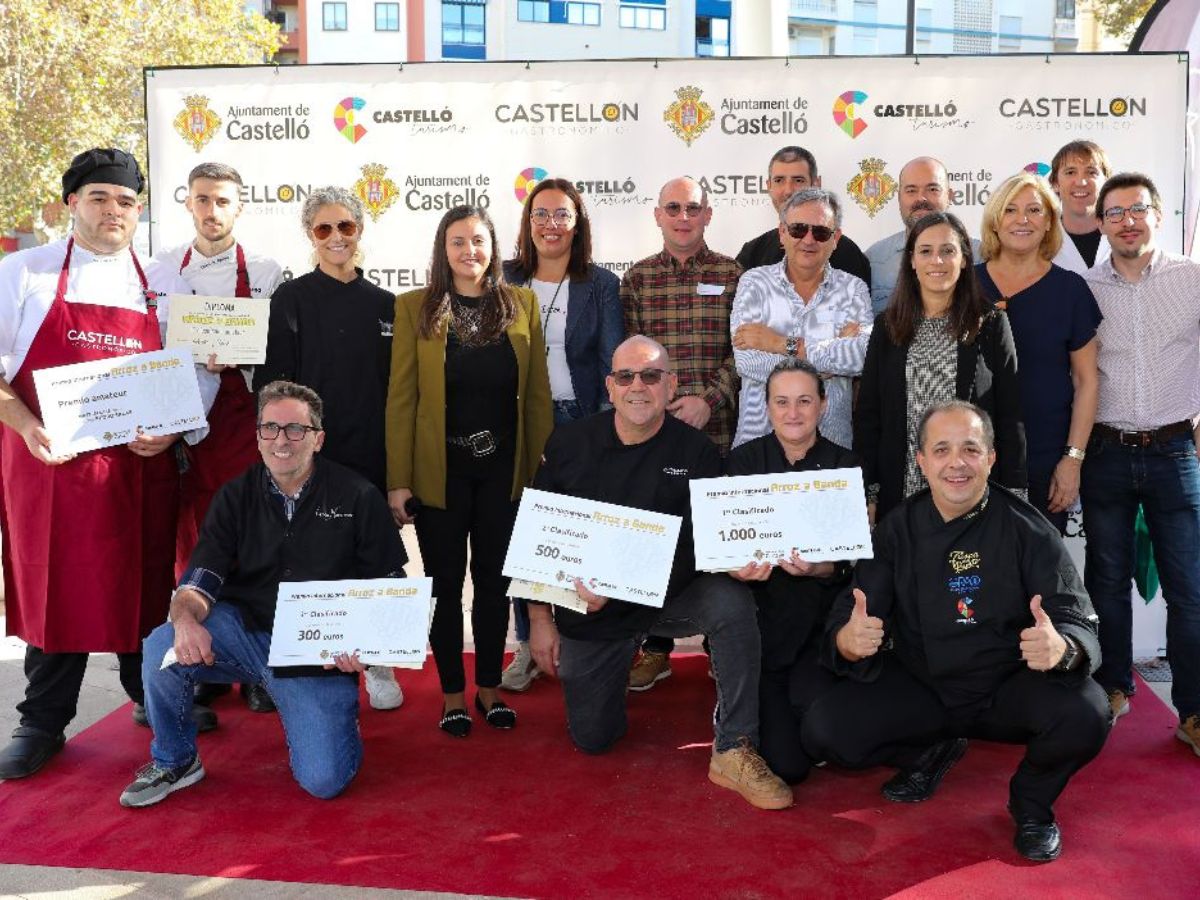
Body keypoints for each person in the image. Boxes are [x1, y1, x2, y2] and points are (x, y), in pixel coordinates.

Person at [805, 401, 1110, 863]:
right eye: (941, 449)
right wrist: (847, 640)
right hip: (923, 685)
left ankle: (1032, 805)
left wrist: (1062, 648)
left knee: (1088, 711)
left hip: (1004, 690)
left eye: (970, 449)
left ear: (991, 458)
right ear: (922, 461)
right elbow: (856, 607)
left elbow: (1073, 613)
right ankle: (928, 751)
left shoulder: (1030, 531)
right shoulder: (897, 530)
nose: (956, 463)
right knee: (827, 729)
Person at [0, 148, 203, 781]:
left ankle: (151, 699)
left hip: (138, 472)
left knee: (142, 585)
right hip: (51, 470)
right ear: (71, 204)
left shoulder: (165, 282)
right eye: (99, 198)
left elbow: (190, 375)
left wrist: (171, 432)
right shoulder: (23, 273)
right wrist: (29, 426)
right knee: (52, 588)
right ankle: (42, 720)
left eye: (126, 202)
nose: (113, 211)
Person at [527, 336, 793, 811]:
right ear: (609, 386)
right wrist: (541, 619)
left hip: (667, 596)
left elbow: (701, 547)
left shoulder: (697, 452)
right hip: (594, 610)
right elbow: (538, 536)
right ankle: (618, 664)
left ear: (670, 385)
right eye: (626, 376)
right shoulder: (568, 443)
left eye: (651, 375)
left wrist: (744, 559)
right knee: (593, 739)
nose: (638, 386)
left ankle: (734, 745)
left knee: (730, 603)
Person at [119, 381, 408, 807]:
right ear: (257, 437)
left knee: (325, 781)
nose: (282, 441)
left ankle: (334, 717)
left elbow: (391, 588)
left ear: (318, 438)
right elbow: (198, 582)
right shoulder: (233, 496)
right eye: (270, 428)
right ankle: (176, 759)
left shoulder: (357, 495)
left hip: (316, 655)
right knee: (162, 645)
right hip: (244, 633)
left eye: (296, 430)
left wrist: (364, 647)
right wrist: (184, 620)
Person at [386, 204, 553, 737]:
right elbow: (402, 401)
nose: (469, 251)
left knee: (493, 584)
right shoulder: (416, 307)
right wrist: (399, 478)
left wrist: (540, 471)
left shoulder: (522, 303)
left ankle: (489, 688)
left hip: (504, 471)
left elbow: (539, 396)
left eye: (478, 240)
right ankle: (453, 694)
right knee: (444, 585)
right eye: (457, 242)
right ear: (443, 250)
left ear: (494, 246)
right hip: (441, 473)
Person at [253, 186, 403, 713]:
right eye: (324, 228)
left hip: (374, 455)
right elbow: (274, 384)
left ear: (360, 231)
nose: (336, 237)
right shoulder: (291, 300)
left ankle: (379, 659)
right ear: (309, 235)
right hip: (311, 456)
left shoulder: (388, 305)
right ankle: (299, 661)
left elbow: (401, 392)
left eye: (346, 227)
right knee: (308, 560)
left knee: (375, 560)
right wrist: (294, 448)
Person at [1079, 172, 1200, 752]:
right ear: (1100, 224)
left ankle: (1194, 710)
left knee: (1190, 588)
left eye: (1138, 209)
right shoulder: (1084, 288)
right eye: (1115, 212)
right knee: (1105, 580)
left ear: (1158, 214)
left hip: (1177, 452)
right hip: (1105, 452)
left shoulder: (1193, 278)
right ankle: (1113, 686)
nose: (1128, 221)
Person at [501, 177, 624, 692]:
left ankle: (580, 639)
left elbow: (610, 360)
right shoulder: (501, 277)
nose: (551, 225)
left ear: (578, 224)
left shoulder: (601, 284)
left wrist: (603, 432)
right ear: (528, 224)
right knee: (520, 528)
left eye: (562, 215)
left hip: (578, 418)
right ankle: (527, 644)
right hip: (514, 419)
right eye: (541, 215)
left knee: (576, 532)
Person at [621, 176, 741, 688]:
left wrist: (707, 400)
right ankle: (654, 645)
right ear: (658, 215)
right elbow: (628, 359)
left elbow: (745, 353)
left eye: (693, 207)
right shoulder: (639, 279)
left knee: (716, 538)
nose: (683, 216)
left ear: (708, 215)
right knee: (657, 535)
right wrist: (660, 407)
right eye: (673, 207)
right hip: (655, 432)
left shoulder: (735, 274)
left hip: (717, 431)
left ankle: (721, 642)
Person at [726, 358, 856, 785]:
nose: (793, 412)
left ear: (823, 404)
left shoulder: (845, 467)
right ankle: (732, 696)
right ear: (767, 408)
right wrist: (737, 570)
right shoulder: (741, 463)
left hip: (820, 629)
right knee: (789, 767)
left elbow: (854, 561)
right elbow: (720, 550)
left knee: (831, 742)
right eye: (782, 402)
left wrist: (822, 567)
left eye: (804, 401)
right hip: (761, 627)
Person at [854, 212, 1026, 524]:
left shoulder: (990, 324)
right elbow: (869, 416)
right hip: (901, 495)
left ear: (963, 260)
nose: (937, 261)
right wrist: (868, 492)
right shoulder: (887, 327)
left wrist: (1014, 495)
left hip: (971, 494)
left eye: (948, 250)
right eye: (926, 251)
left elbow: (1010, 415)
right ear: (912, 261)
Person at [155, 162, 283, 579]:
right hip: (183, 421)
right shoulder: (163, 269)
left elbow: (280, 351)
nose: (212, 211)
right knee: (193, 535)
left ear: (240, 208)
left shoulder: (266, 271)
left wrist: (244, 354)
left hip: (244, 419)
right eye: (203, 200)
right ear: (189, 203)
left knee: (248, 528)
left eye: (222, 201)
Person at [975, 173, 1101, 533]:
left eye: (1034, 210)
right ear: (995, 222)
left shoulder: (1070, 290)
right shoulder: (964, 285)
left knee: (1040, 577)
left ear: (1049, 222)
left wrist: (1072, 460)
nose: (1023, 219)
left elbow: (1086, 380)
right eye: (1011, 210)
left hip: (1045, 457)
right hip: (969, 456)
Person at [730, 187, 872, 450]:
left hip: (832, 446)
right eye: (798, 229)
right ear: (782, 233)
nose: (808, 240)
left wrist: (780, 344)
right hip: (758, 443)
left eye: (820, 232)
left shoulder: (854, 289)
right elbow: (747, 362)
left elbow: (861, 357)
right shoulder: (754, 282)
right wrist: (829, 359)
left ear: (835, 238)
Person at [736, 145, 872, 289]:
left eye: (798, 180)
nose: (788, 190)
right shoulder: (753, 253)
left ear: (816, 184)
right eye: (779, 180)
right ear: (769, 186)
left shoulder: (848, 254)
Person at [864, 157, 980, 315]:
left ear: (950, 195)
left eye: (932, 189)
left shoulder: (981, 255)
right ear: (899, 197)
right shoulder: (874, 259)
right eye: (911, 190)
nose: (921, 198)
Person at [1048, 141, 1112, 275]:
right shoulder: (1039, 241)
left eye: (1091, 172)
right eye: (1070, 172)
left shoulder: (1124, 235)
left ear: (1107, 183)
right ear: (1055, 183)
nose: (1081, 182)